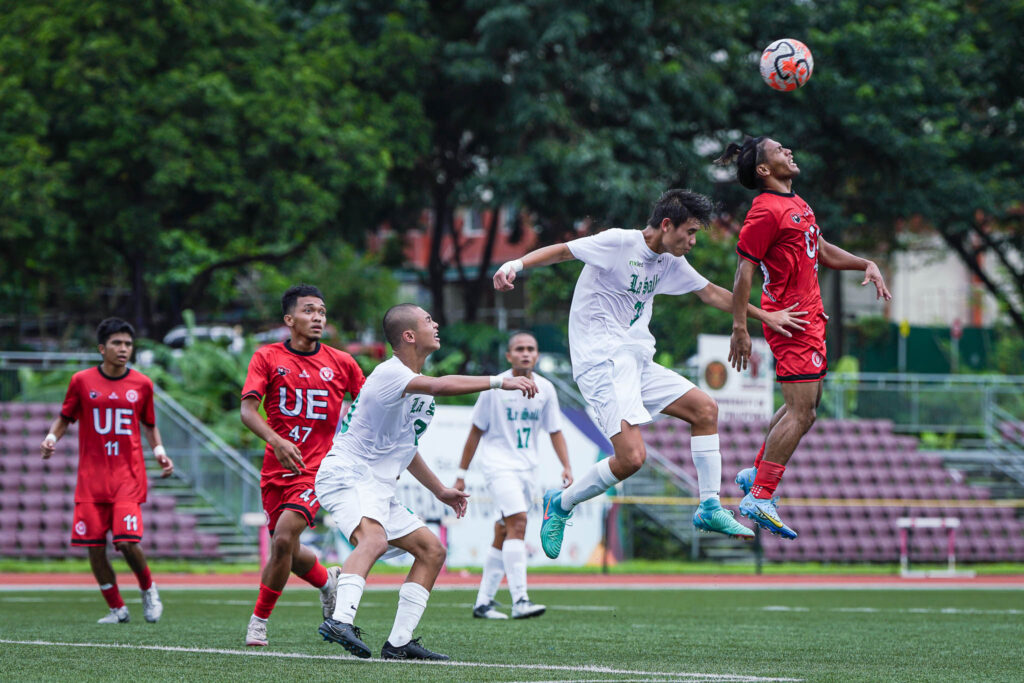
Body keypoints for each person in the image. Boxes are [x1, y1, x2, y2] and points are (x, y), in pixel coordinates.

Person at [493, 189, 808, 560]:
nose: (691, 242)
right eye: (689, 233)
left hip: (638, 360)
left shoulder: (670, 260)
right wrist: (516, 264)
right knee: (631, 459)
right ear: (666, 225)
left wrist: (764, 316)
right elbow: (563, 250)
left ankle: (709, 507)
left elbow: (711, 293)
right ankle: (560, 503)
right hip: (602, 363)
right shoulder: (618, 243)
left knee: (705, 410)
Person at [315, 304, 537, 661]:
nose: (436, 325)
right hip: (347, 474)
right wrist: (499, 380)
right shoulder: (391, 373)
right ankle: (339, 620)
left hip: (376, 486)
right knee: (373, 539)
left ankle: (399, 643)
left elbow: (407, 450)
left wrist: (440, 491)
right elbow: (440, 384)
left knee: (432, 551)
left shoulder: (420, 396)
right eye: (428, 321)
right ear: (408, 336)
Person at [716, 137, 891, 539]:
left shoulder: (798, 204)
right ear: (763, 170)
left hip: (810, 320)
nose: (788, 152)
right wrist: (740, 327)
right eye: (779, 151)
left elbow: (822, 250)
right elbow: (744, 271)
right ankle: (760, 494)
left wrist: (866, 262)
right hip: (790, 322)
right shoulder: (763, 211)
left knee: (807, 405)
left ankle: (757, 472)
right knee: (802, 412)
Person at [241, 284, 366, 647]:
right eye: (309, 311)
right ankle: (329, 582)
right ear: (289, 319)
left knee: (282, 538)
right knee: (288, 551)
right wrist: (276, 441)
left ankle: (259, 622)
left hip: (319, 471)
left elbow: (370, 407)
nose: (318, 318)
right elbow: (248, 411)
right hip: (275, 469)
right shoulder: (266, 357)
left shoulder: (342, 362)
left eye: (322, 312)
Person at [40, 317, 173, 624]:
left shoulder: (142, 384)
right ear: (102, 348)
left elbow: (149, 425)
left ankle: (148, 589)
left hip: (127, 477)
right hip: (91, 480)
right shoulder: (82, 381)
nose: (123, 348)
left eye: (128, 343)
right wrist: (50, 439)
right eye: (116, 343)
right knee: (94, 547)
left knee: (126, 542)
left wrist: (160, 452)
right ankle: (116, 607)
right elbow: (64, 418)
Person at [454, 331, 573, 620]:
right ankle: (520, 599)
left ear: (537, 355)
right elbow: (475, 431)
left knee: (504, 530)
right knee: (518, 522)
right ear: (509, 356)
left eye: (531, 348)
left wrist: (566, 466)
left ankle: (483, 603)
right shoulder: (495, 387)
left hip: (528, 469)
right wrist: (461, 474)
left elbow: (555, 430)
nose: (525, 353)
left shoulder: (546, 389)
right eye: (519, 348)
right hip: (498, 466)